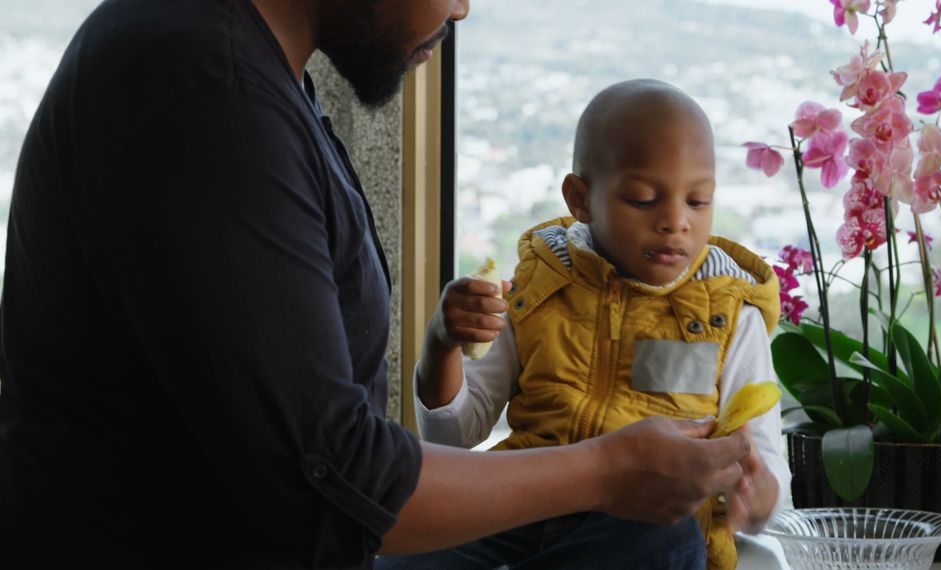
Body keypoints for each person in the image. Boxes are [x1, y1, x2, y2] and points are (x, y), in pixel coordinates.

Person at [0, 1, 756, 568]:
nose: (462, 7)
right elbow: (339, 482)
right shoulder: (208, 93)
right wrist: (607, 468)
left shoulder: (239, 66)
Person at [383, 79, 792, 570]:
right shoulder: (537, 290)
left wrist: (758, 493)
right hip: (521, 511)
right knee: (392, 542)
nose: (675, 221)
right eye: (643, 199)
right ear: (580, 198)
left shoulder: (731, 319)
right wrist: (442, 344)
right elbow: (454, 440)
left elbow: (767, 476)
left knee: (672, 538)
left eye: (698, 201)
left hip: (639, 528)